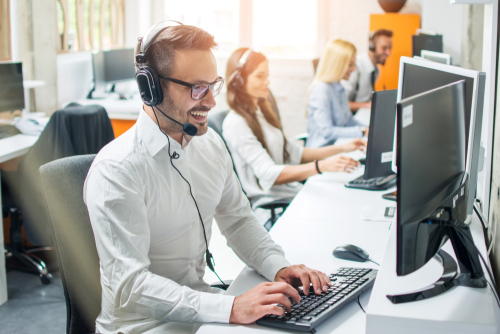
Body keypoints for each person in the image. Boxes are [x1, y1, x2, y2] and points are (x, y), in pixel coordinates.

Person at [84, 21, 333, 334]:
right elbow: (130, 286)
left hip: (202, 311)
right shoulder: (117, 170)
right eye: (196, 88)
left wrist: (278, 266)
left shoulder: (209, 144)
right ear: (151, 87)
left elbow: (239, 220)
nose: (212, 102)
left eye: (213, 86)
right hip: (143, 326)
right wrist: (230, 307)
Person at [223, 48, 365, 221]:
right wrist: (321, 166)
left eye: (267, 75)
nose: (267, 82)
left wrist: (343, 148)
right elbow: (269, 174)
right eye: (260, 76)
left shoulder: (260, 111)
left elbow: (293, 152)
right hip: (272, 205)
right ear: (239, 81)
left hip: (289, 193)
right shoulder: (236, 123)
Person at [306, 39, 368, 148]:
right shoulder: (321, 90)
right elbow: (327, 132)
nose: (354, 69)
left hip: (339, 145)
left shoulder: (339, 88)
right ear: (337, 65)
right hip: (322, 152)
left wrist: (369, 128)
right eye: (350, 64)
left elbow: (348, 121)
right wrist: (362, 131)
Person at [341, 29, 393, 112]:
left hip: (365, 111)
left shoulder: (376, 70)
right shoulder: (354, 69)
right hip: (352, 115)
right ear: (372, 47)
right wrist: (367, 105)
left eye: (390, 48)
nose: (388, 53)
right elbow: (341, 103)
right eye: (384, 48)